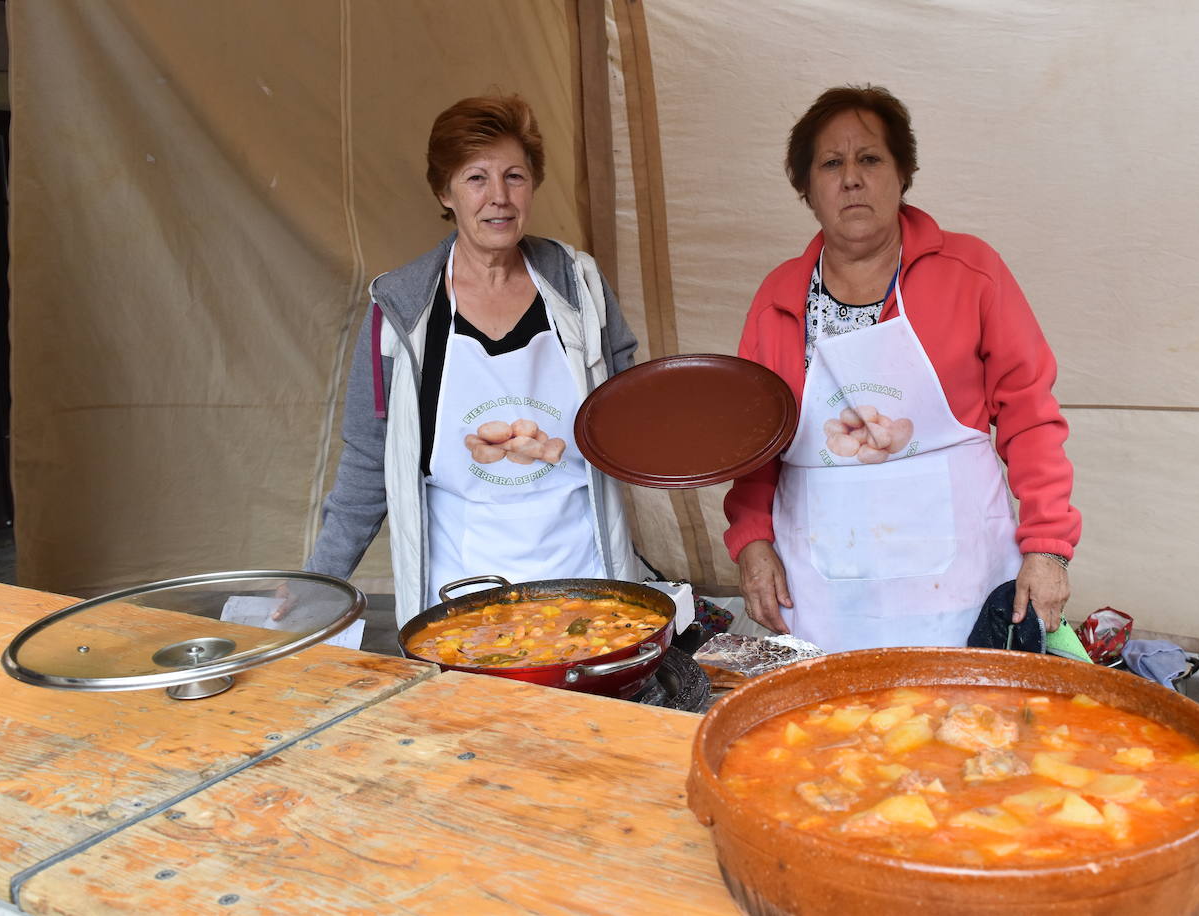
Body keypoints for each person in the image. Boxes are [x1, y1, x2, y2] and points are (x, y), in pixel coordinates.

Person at [724, 85, 1081, 653]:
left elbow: (1030, 416)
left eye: (870, 158)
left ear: (902, 172)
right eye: (831, 164)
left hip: (956, 580)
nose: (852, 178)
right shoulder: (778, 297)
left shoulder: (971, 273)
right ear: (807, 188)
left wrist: (1046, 547)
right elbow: (753, 443)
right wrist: (751, 541)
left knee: (966, 725)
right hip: (824, 587)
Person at [306, 94, 640, 627]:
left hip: (583, 567)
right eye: (476, 178)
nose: (499, 198)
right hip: (457, 586)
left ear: (533, 185)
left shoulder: (579, 285)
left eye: (515, 176)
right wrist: (318, 584)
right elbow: (370, 459)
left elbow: (632, 412)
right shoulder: (402, 308)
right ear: (445, 191)